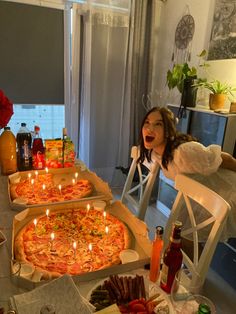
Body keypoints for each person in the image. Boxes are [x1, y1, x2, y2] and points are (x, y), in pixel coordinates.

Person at [138, 106, 236, 243]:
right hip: (198, 198)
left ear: (167, 131)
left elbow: (224, 159)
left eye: (158, 124)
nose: (149, 128)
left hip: (227, 192)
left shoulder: (183, 153)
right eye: (147, 122)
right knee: (185, 242)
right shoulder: (157, 153)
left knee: (186, 242)